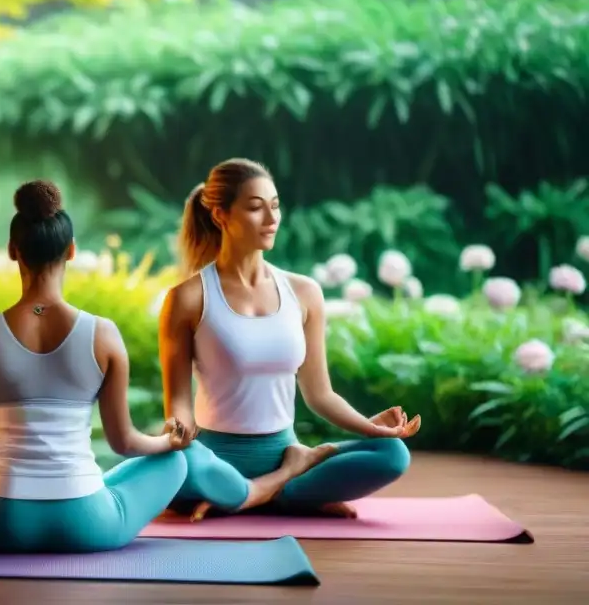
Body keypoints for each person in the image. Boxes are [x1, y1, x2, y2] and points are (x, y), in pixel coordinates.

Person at [0, 179, 196, 553]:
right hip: (87, 521)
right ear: (71, 251)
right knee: (175, 463)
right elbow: (124, 442)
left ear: (13, 251)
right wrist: (168, 441)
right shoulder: (103, 335)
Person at [159, 158, 421, 521]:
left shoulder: (305, 292)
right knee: (170, 463)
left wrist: (372, 428)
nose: (271, 219)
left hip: (282, 449)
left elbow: (320, 394)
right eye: (255, 208)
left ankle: (259, 490)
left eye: (275, 205)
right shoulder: (187, 298)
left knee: (393, 454)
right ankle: (285, 488)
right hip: (214, 461)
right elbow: (178, 407)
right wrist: (175, 445)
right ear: (220, 215)